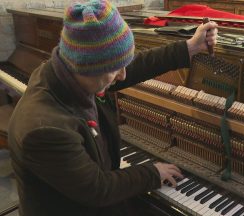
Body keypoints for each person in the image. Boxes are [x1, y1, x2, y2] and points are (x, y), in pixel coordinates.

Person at [7, 0, 218, 215]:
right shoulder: (44, 129)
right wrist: (151, 173)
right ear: (87, 69)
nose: (123, 76)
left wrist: (190, 48)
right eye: (115, 70)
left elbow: (130, 66)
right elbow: (98, 189)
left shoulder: (67, 69)